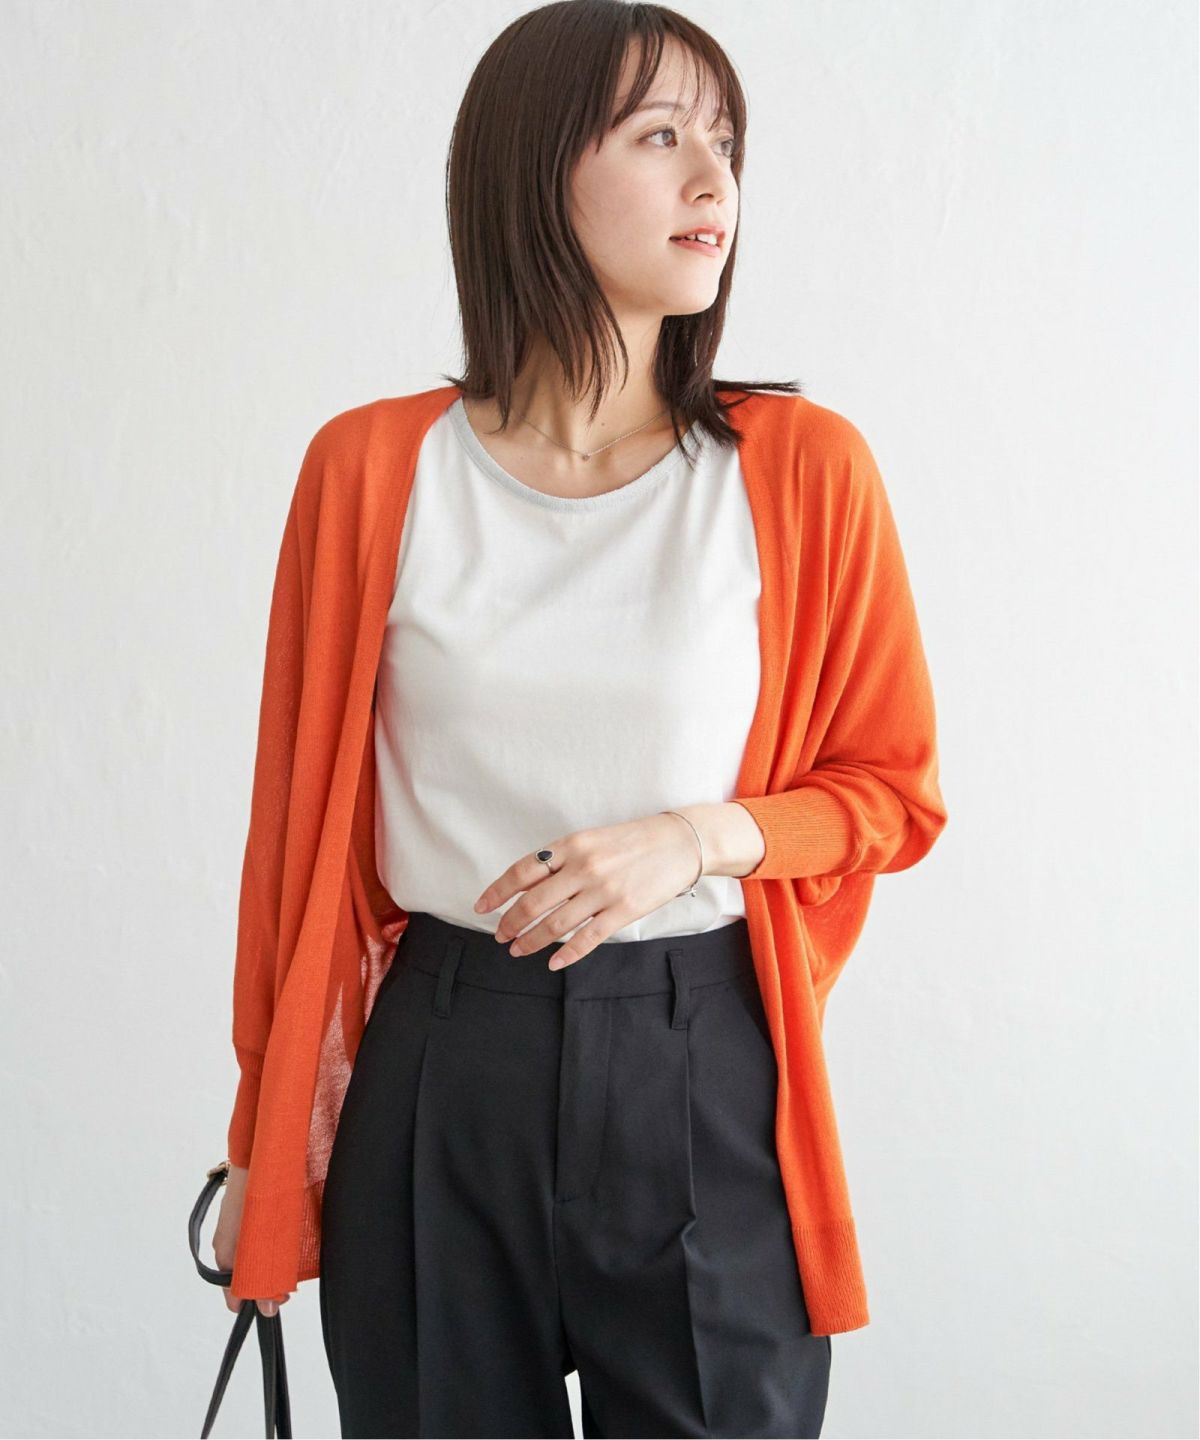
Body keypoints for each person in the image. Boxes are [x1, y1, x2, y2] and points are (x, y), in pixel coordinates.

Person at [213, 4, 948, 1437]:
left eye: (725, 143)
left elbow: (891, 793)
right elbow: (295, 849)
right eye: (661, 136)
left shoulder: (801, 469)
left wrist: (695, 840)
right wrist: (264, 1136)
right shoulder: (371, 471)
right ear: (536, 171)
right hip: (441, 1059)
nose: (713, 180)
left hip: (699, 1054)